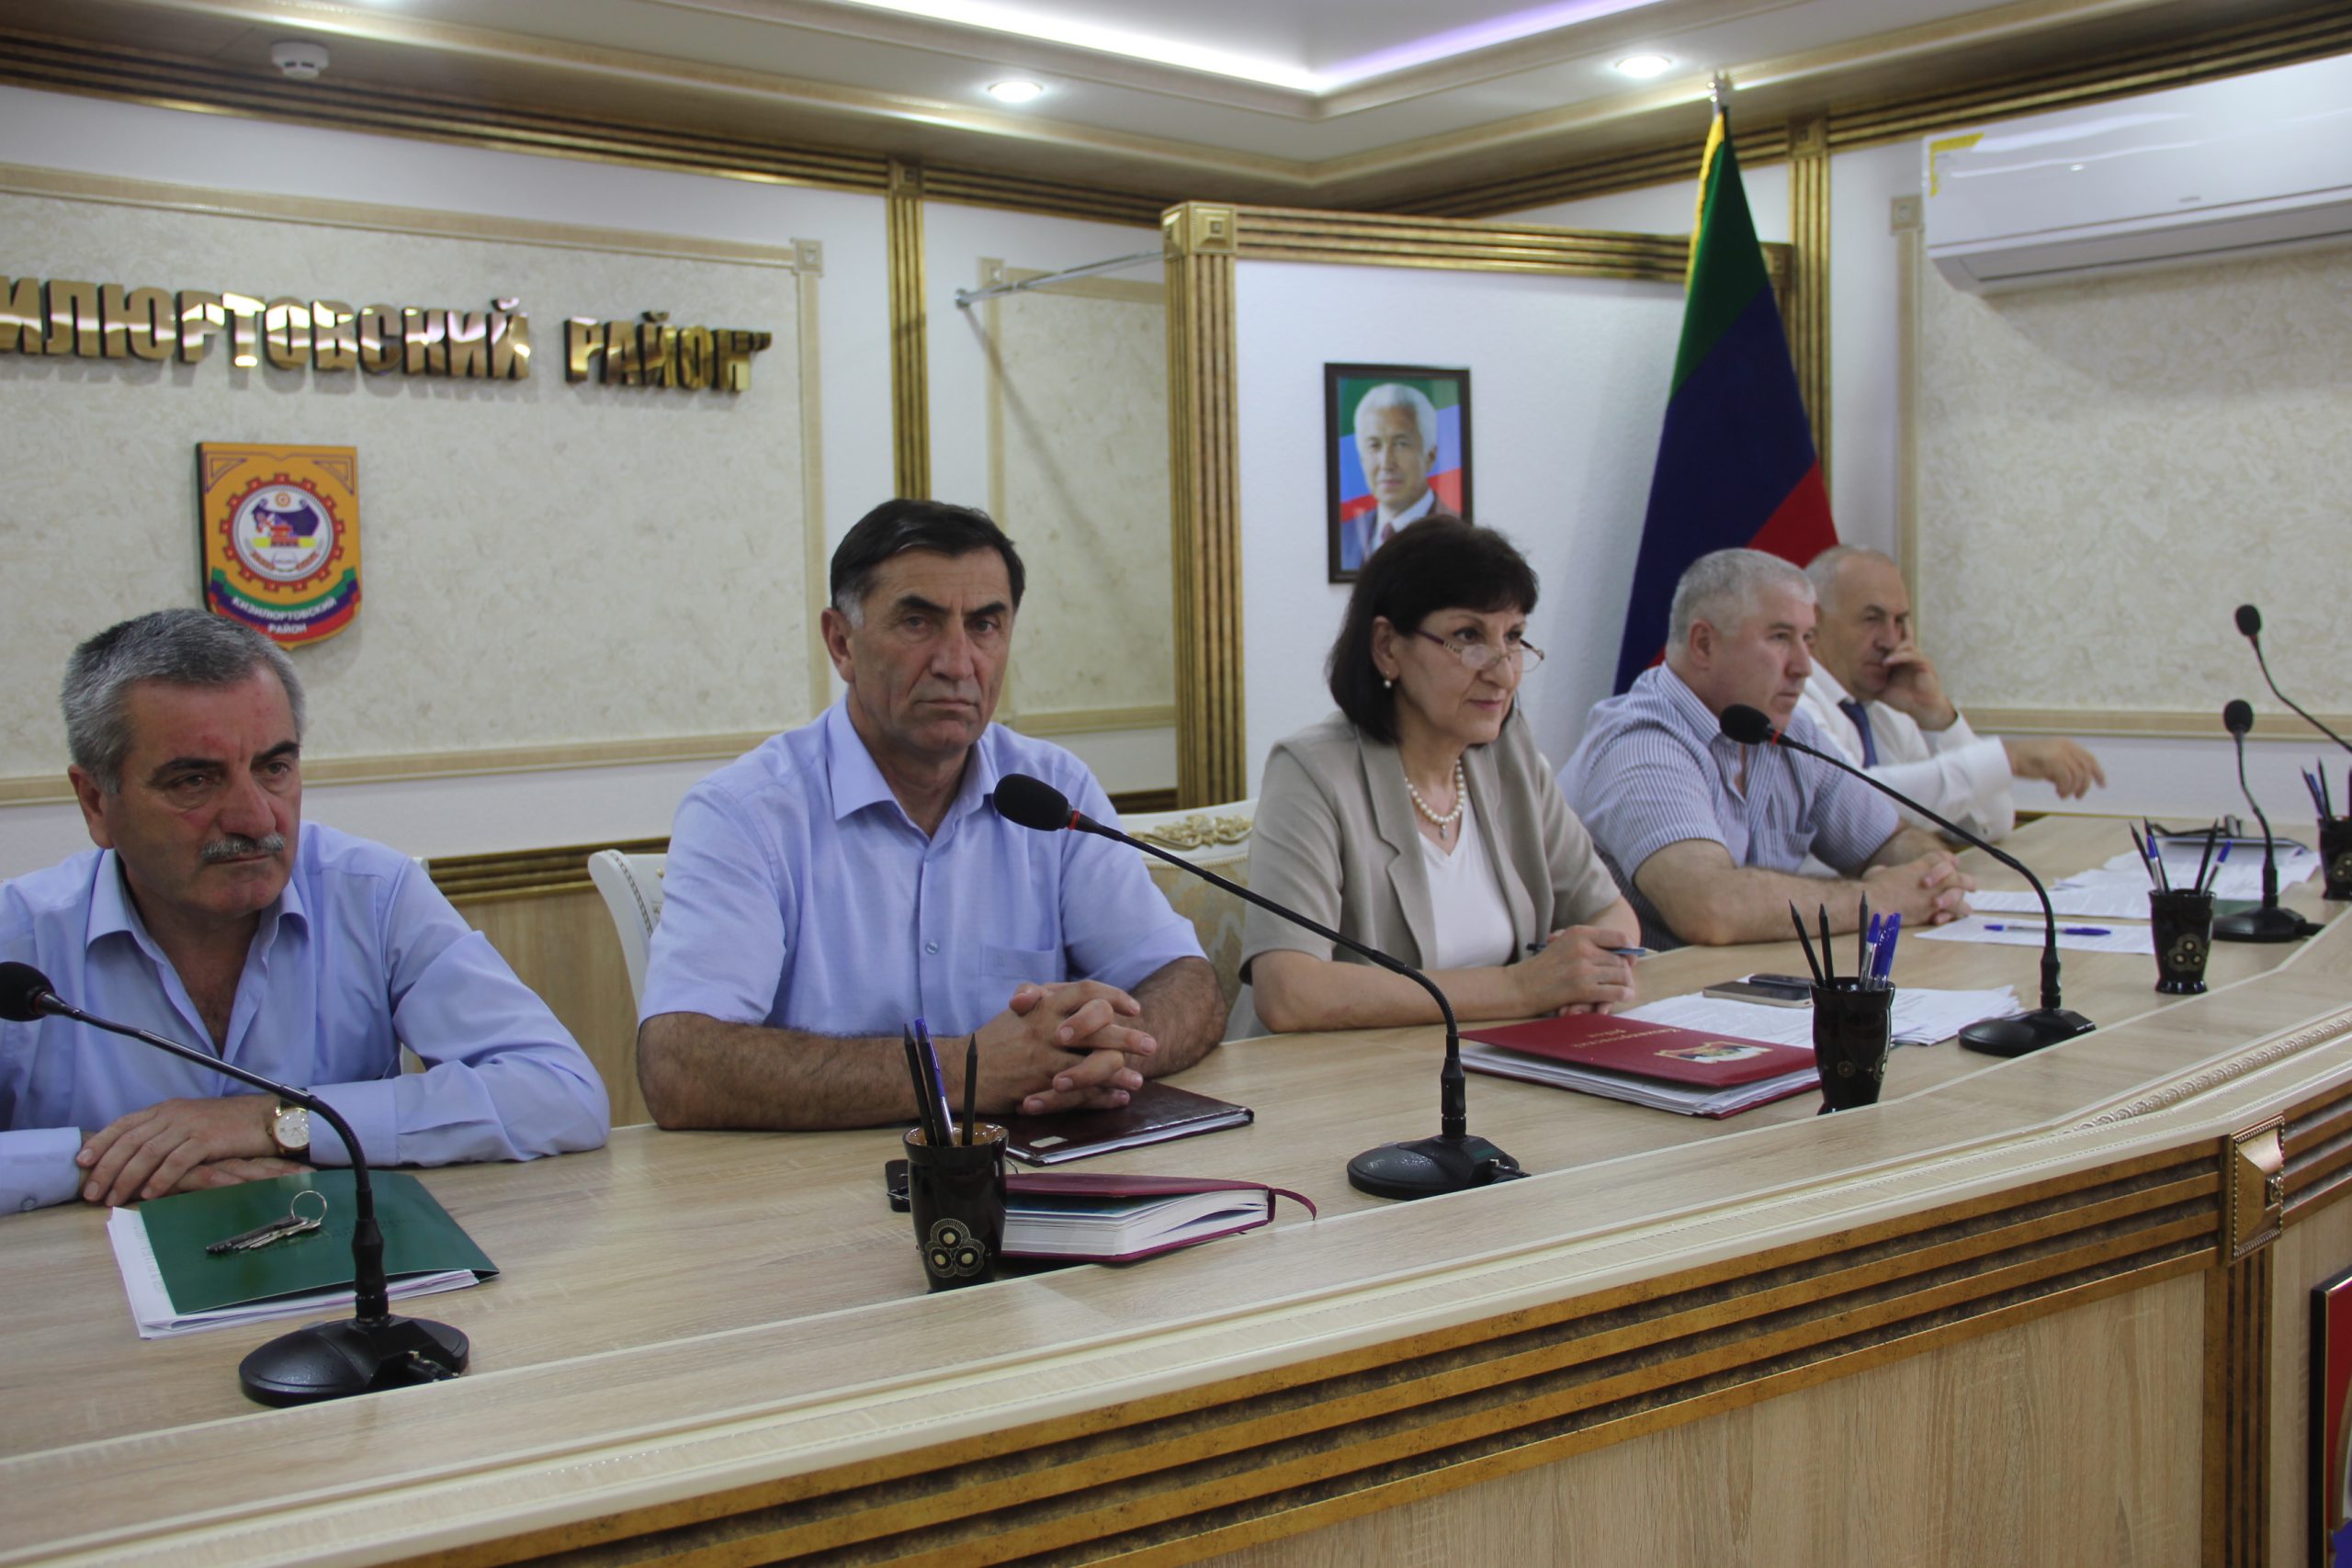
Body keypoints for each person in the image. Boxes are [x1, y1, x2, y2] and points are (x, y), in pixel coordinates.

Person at [637, 499, 1224, 1131]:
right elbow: (680, 1065)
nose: (957, 662)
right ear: (841, 642)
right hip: (823, 1177)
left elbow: (1187, 983)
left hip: (1032, 1167)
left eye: (984, 625)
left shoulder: (1053, 790)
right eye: (918, 622)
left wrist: (1109, 1054)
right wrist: (966, 1070)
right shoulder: (745, 814)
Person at [1, 610, 609, 1214]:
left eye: (274, 768)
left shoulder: (371, 894)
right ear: (95, 802)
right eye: (194, 781)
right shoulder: (19, 936)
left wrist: (274, 1121)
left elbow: (562, 1093)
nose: (255, 818)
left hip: (334, 1249)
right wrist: (111, 1157)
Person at [1234, 517, 1639, 1037]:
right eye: (1468, 637)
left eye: (1514, 637)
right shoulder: (1312, 773)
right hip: (1343, 1078)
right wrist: (1521, 988)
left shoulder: (1512, 760)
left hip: (1495, 1064)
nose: (1503, 672)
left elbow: (1610, 913)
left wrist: (1589, 977)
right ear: (1387, 647)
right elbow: (1290, 992)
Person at [1559, 547, 1975, 950]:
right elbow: (1710, 908)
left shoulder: (1787, 732)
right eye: (1780, 638)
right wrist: (1879, 900)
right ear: (1704, 644)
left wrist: (1932, 874)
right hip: (1651, 993)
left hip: (1751, 986)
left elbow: (1888, 840)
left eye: (1808, 639)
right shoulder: (1641, 742)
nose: (1804, 666)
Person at [1797, 546, 2104, 842]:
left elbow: (1989, 823)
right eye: (1872, 619)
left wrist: (1938, 717)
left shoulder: (1886, 707)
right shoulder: (1792, 700)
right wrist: (2009, 757)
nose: (1890, 640)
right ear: (1813, 621)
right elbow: (1856, 804)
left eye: (1900, 621)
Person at [1338, 383, 1443, 572]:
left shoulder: (1456, 533)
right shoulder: (1345, 537)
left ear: (1430, 456)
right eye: (1374, 445)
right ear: (1362, 459)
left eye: (1401, 444)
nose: (1386, 463)